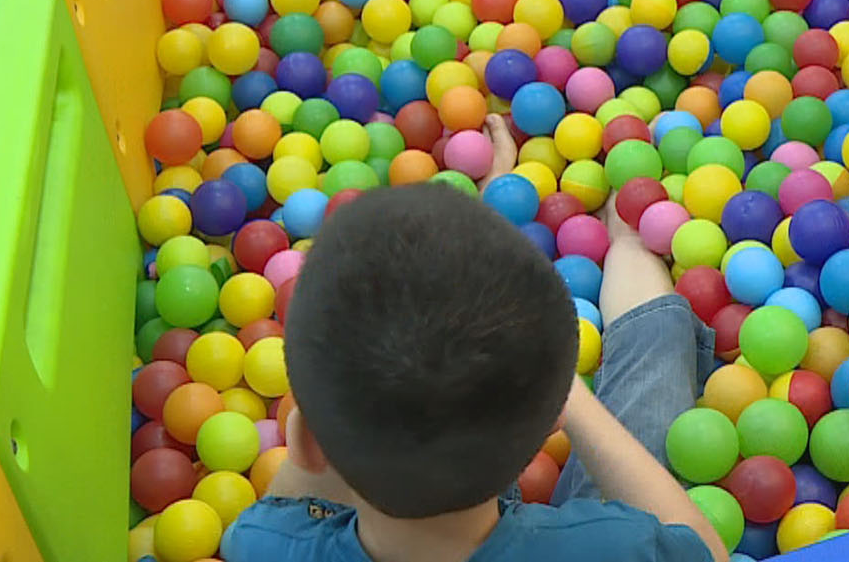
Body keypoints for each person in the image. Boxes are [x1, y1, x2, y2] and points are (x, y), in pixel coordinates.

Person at [221, 115, 727, 562]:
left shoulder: (264, 543)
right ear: (551, 421)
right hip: (515, 481)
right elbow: (703, 550)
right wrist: (564, 390)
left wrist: (323, 430)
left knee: (399, 395)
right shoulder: (612, 546)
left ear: (306, 443)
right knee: (655, 339)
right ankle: (629, 244)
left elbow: (293, 499)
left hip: (446, 462)